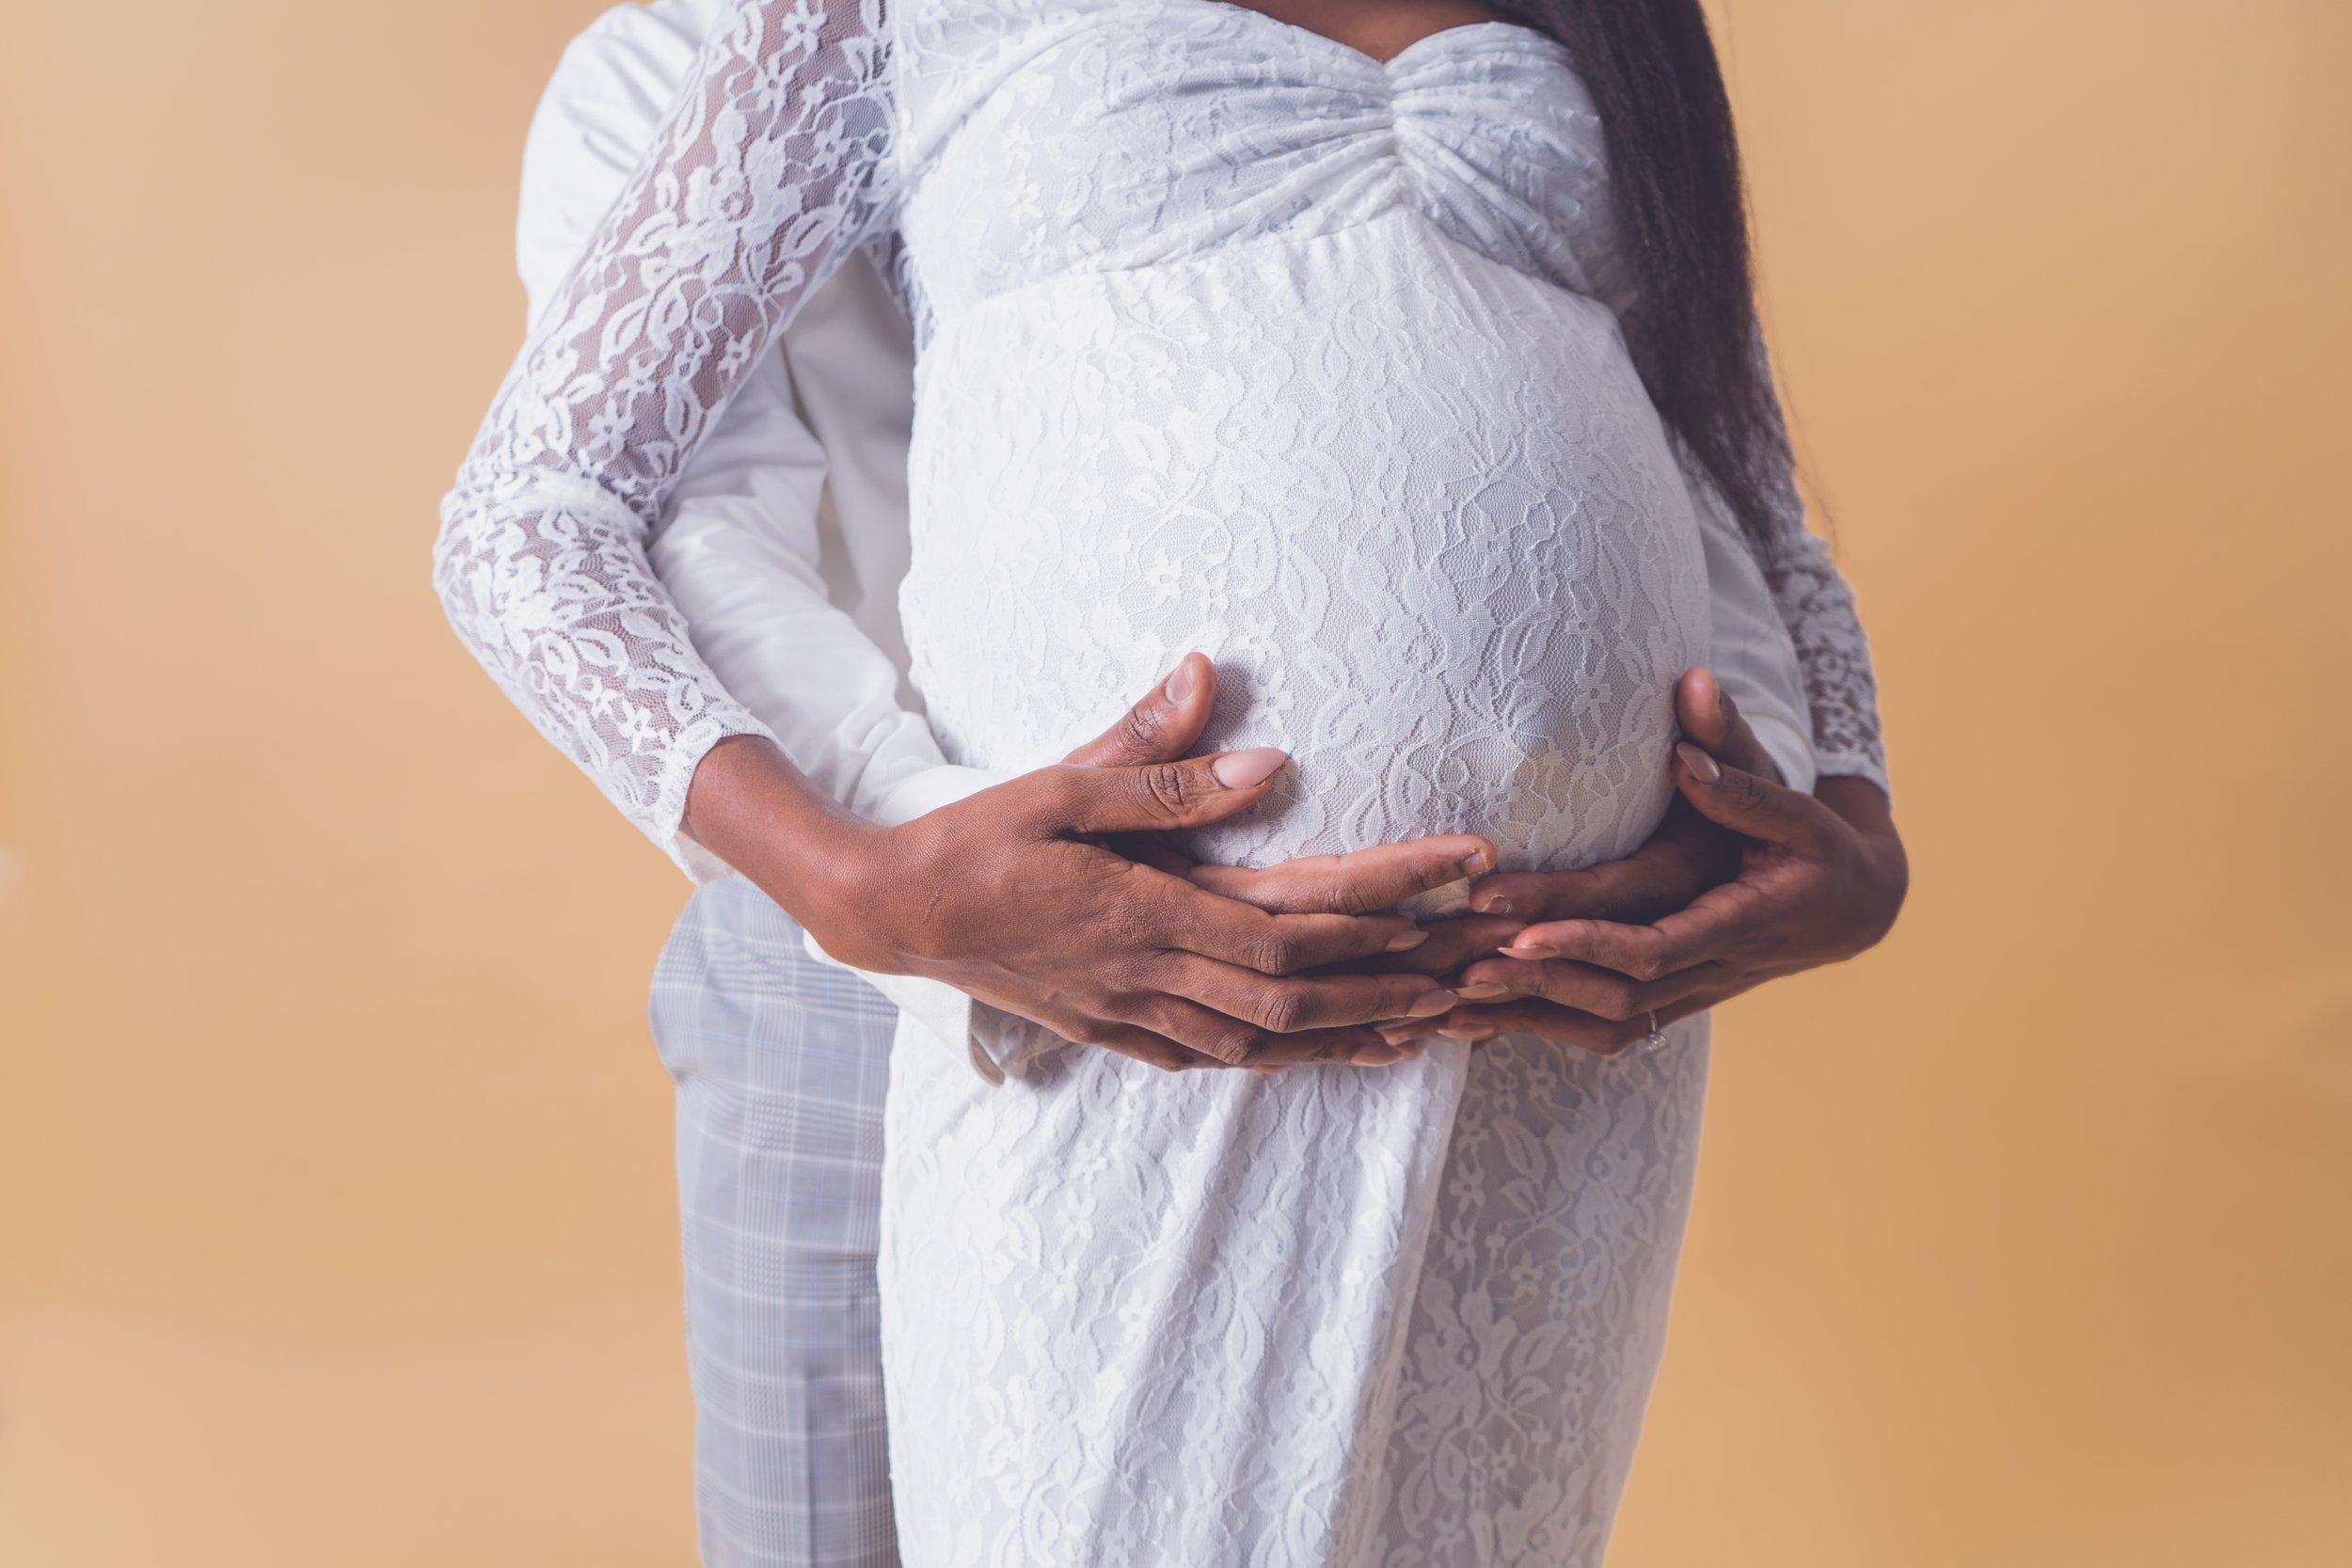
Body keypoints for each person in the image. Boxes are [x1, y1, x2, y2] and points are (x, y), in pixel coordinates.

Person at [443, 3, 1907, 1563]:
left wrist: (1845, 823)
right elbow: (625, 518)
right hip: (926, 941)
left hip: (1528, 1040)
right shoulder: (740, 50)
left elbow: (1724, 474)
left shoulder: (1602, 31)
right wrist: (878, 882)